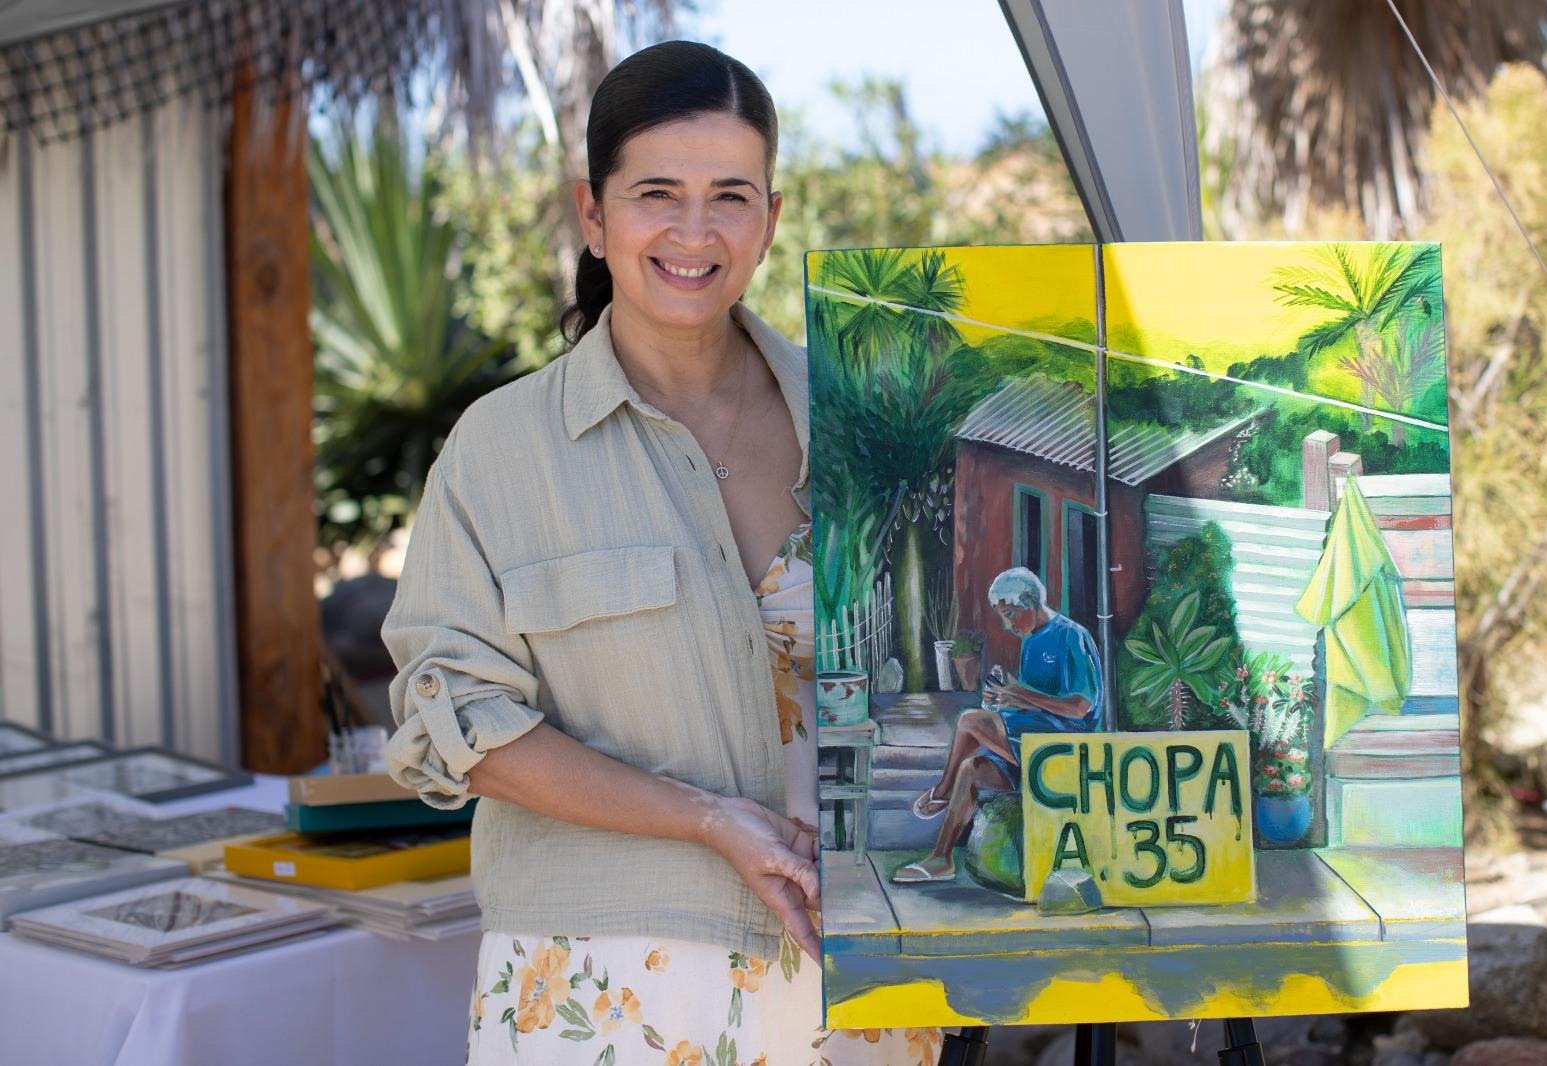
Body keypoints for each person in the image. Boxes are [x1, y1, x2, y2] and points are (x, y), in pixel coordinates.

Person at [382, 41, 941, 1065]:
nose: (694, 231)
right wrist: (705, 818)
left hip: (858, 964)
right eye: (656, 194)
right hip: (604, 987)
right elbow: (456, 721)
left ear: (770, 216)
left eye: (730, 195)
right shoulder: (501, 451)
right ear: (593, 215)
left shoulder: (868, 421)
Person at [892, 567, 1102, 885]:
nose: (1007, 625)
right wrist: (1009, 699)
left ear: (1030, 603)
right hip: (1027, 743)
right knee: (970, 769)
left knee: (970, 720)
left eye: (1010, 614)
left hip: (1061, 750)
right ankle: (941, 859)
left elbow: (1080, 707)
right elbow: (1039, 701)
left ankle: (941, 793)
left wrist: (1020, 695)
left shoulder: (1072, 636)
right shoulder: (1031, 640)